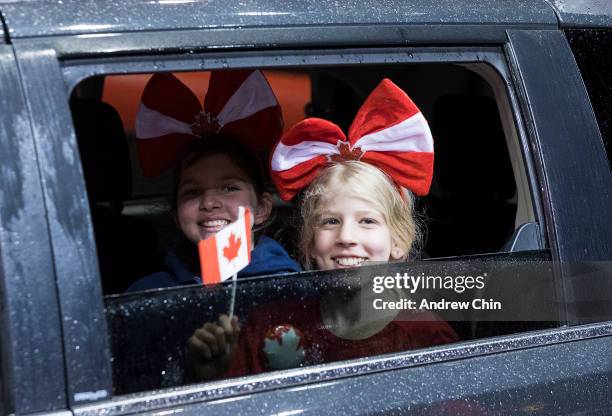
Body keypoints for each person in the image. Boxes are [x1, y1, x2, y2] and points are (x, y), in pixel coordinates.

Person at [185, 78, 458, 380]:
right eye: (330, 221)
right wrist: (213, 374)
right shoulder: (269, 325)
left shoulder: (428, 337)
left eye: (367, 221)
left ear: (399, 241)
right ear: (309, 242)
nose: (346, 237)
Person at [127, 70, 300, 292]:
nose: (209, 202)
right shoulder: (148, 293)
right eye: (192, 192)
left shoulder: (288, 286)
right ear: (176, 216)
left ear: (262, 209)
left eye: (229, 188)